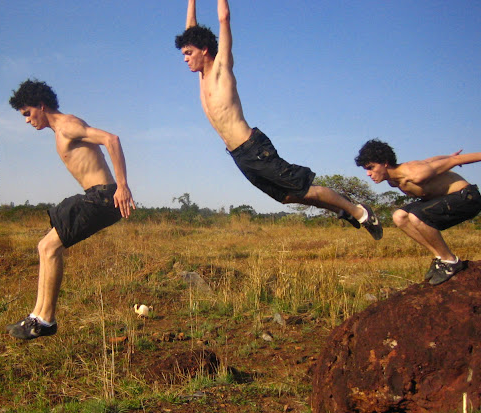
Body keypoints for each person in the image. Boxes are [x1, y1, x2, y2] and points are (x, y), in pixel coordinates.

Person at [175, 0, 382, 240]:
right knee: (286, 197)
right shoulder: (201, 77)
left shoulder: (221, 68)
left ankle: (359, 211)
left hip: (253, 148)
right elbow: (191, 28)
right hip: (239, 156)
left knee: (303, 188)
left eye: (188, 53)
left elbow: (224, 18)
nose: (185, 59)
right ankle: (341, 208)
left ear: (205, 50)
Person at [6, 79, 135, 340]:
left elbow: (112, 139)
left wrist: (122, 186)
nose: (27, 121)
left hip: (103, 197)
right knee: (45, 246)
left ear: (41, 106)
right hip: (93, 196)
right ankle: (38, 315)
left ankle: (46, 319)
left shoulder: (67, 126)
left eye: (28, 113)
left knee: (50, 247)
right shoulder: (60, 130)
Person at [355, 139, 481, 285]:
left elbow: (456, 160)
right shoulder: (393, 181)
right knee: (399, 217)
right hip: (446, 199)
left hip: (467, 198)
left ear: (385, 163)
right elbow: (430, 160)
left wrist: (450, 158)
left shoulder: (415, 173)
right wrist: (446, 156)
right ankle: (441, 258)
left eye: (371, 167)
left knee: (416, 216)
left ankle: (451, 261)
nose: (368, 174)